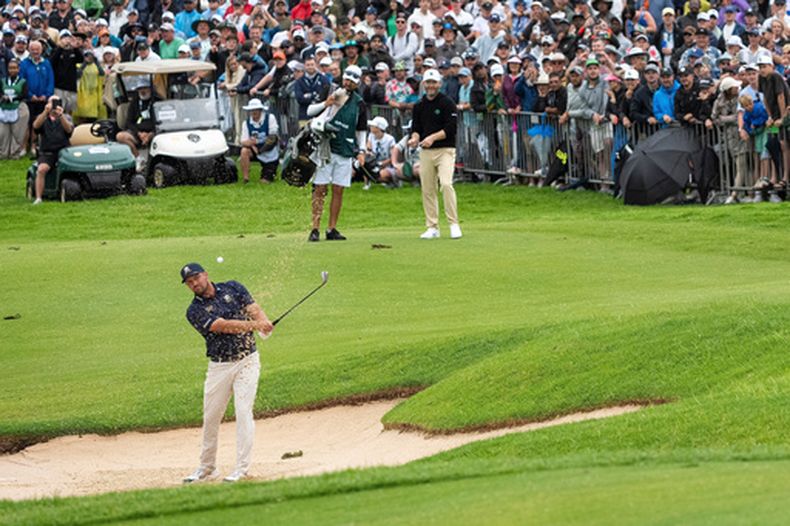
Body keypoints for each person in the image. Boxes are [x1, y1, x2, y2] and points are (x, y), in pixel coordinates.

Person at [181, 263, 273, 484]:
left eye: (196, 278)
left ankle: (241, 469)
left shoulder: (233, 287)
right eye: (189, 282)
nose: (194, 283)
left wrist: (264, 321)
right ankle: (207, 468)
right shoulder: (194, 311)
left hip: (247, 361)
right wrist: (256, 325)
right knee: (211, 417)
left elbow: (253, 308)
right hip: (219, 366)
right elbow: (222, 326)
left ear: (205, 275)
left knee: (243, 412)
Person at [306, 65, 367, 242]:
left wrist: (361, 151)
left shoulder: (359, 103)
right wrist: (327, 103)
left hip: (345, 150)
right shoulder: (332, 92)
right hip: (326, 148)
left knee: (338, 190)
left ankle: (331, 228)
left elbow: (361, 130)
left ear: (357, 83)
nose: (348, 83)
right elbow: (311, 112)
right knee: (320, 188)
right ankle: (315, 228)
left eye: (352, 81)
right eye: (347, 79)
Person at [408, 68, 461, 239]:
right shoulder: (419, 106)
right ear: (424, 84)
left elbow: (451, 128)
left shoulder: (447, 103)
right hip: (426, 152)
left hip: (445, 150)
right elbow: (416, 128)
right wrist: (414, 139)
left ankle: (453, 223)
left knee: (446, 184)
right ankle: (432, 227)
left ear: (439, 84)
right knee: (428, 189)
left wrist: (432, 137)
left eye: (434, 83)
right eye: (428, 83)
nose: (431, 86)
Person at [32, 95, 74, 204]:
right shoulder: (42, 117)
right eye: (52, 102)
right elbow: (36, 127)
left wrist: (61, 115)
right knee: (41, 169)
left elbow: (69, 130)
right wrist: (45, 112)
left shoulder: (66, 117)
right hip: (48, 152)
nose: (54, 105)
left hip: (63, 151)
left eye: (56, 102)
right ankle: (38, 198)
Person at [116, 84, 157, 171]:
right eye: (140, 89)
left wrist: (149, 134)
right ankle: (138, 158)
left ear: (150, 89)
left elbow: (160, 121)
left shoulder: (157, 101)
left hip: (154, 132)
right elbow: (129, 122)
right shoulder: (134, 102)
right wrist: (139, 134)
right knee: (120, 136)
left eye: (145, 88)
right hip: (138, 133)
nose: (142, 91)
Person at [239, 98, 279, 184]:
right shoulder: (246, 123)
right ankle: (246, 178)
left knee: (264, 182)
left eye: (256, 109)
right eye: (252, 110)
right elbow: (243, 141)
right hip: (254, 149)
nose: (254, 112)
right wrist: (252, 145)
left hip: (269, 151)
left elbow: (273, 138)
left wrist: (260, 150)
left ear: (261, 110)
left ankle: (270, 172)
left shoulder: (270, 118)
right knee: (244, 151)